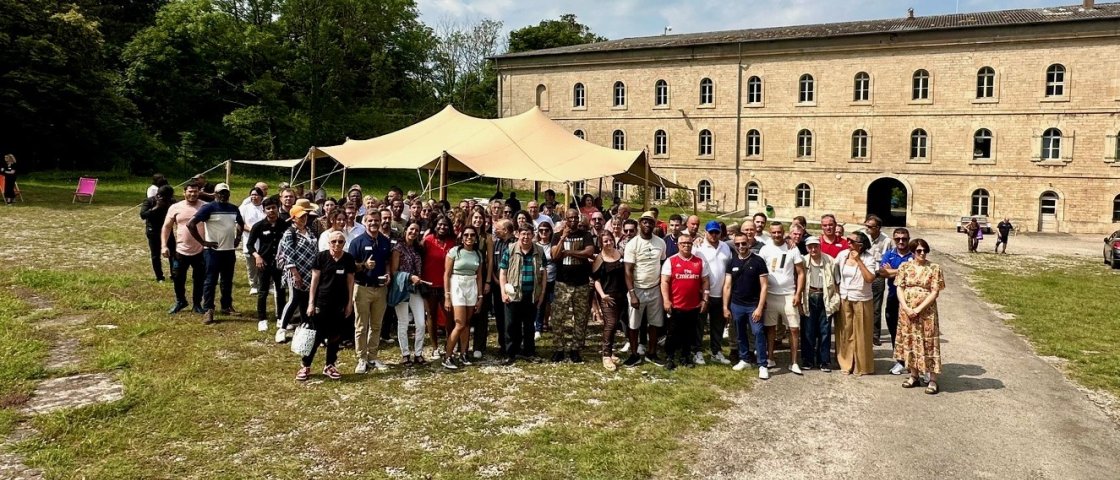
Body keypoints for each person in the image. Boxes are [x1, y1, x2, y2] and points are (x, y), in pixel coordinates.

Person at [296, 231, 355, 381]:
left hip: (340, 304)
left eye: (340, 241)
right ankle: (306, 365)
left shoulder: (348, 259)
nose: (337, 244)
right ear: (329, 243)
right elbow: (314, 281)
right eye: (334, 241)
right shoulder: (321, 257)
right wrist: (311, 303)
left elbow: (350, 281)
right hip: (321, 302)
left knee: (335, 336)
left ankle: (330, 365)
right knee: (316, 336)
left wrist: (350, 303)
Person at [188, 183, 245, 325]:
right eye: (220, 193)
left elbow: (240, 223)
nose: (223, 195)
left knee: (227, 280)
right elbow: (191, 224)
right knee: (210, 281)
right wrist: (203, 242)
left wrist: (238, 238)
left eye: (225, 193)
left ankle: (226, 306)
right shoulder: (208, 208)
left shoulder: (233, 208)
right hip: (212, 252)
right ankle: (208, 309)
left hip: (228, 251)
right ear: (215, 194)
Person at [896, 238, 945, 394]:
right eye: (919, 251)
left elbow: (935, 291)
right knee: (909, 340)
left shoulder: (934, 268)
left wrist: (918, 309)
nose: (922, 253)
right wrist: (906, 307)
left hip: (926, 312)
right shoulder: (904, 266)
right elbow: (899, 287)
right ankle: (913, 374)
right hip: (906, 310)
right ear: (912, 252)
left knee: (928, 342)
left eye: (925, 250)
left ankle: (932, 379)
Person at [349, 209, 393, 373]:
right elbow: (350, 266)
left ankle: (372, 356)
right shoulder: (357, 242)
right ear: (365, 222)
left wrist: (388, 273)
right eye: (370, 221)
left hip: (380, 289)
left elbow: (387, 261)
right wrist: (364, 266)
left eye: (376, 220)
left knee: (376, 325)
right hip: (362, 288)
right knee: (361, 326)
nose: (374, 223)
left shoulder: (384, 241)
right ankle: (361, 358)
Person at [550, 208, 597, 363]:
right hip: (562, 283)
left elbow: (589, 252)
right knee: (558, 318)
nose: (573, 221)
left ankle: (576, 348)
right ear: (565, 219)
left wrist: (569, 253)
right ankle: (559, 348)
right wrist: (563, 239)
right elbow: (554, 256)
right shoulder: (557, 236)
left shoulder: (586, 235)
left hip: (581, 283)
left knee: (581, 318)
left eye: (576, 218)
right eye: (570, 218)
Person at [759, 222, 806, 374]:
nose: (777, 235)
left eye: (780, 232)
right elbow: (760, 272)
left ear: (783, 232)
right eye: (774, 232)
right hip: (770, 295)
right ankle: (770, 357)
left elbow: (800, 273)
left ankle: (794, 362)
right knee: (770, 328)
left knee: (793, 329)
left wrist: (798, 293)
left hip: (788, 295)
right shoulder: (765, 248)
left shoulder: (792, 248)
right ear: (770, 233)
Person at [622, 211, 667, 366]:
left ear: (655, 224)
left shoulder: (661, 243)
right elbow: (628, 270)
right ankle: (634, 354)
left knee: (655, 323)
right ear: (640, 224)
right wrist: (632, 294)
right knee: (634, 324)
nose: (647, 224)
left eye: (650, 222)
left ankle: (652, 353)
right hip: (637, 288)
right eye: (644, 222)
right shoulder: (632, 244)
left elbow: (662, 264)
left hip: (655, 288)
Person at [660, 234, 711, 370]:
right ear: (678, 245)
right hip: (676, 305)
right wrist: (666, 300)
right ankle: (670, 357)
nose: (686, 245)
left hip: (693, 305)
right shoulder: (671, 261)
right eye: (683, 243)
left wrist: (705, 299)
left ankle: (685, 356)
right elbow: (664, 281)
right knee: (672, 333)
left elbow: (706, 281)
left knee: (689, 333)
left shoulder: (699, 262)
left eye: (689, 243)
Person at [723, 232, 770, 378]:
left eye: (743, 243)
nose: (741, 246)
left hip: (753, 305)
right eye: (737, 244)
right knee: (740, 333)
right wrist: (725, 306)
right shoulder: (732, 262)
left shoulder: (758, 261)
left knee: (758, 332)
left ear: (748, 243)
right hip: (737, 305)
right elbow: (727, 286)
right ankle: (744, 359)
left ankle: (763, 364)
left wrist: (760, 307)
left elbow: (764, 286)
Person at [499, 224, 547, 365]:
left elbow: (544, 273)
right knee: (511, 325)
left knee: (529, 326)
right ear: (518, 235)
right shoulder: (510, 249)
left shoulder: (539, 250)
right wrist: (503, 291)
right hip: (513, 294)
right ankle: (510, 353)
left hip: (532, 294)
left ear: (533, 235)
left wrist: (542, 293)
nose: (525, 237)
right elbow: (503, 271)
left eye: (528, 234)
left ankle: (529, 352)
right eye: (523, 234)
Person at [835, 231, 879, 375]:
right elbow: (835, 273)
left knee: (862, 333)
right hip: (845, 297)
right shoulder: (842, 255)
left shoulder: (868, 258)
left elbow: (870, 278)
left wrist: (859, 261)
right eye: (848, 240)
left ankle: (862, 366)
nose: (848, 243)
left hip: (862, 298)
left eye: (851, 241)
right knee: (846, 331)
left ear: (860, 245)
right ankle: (846, 363)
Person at [443, 225, 485, 369]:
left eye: (472, 235)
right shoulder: (454, 252)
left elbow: (479, 277)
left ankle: (464, 353)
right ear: (461, 237)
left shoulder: (478, 254)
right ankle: (448, 356)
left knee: (467, 323)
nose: (469, 238)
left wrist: (480, 296)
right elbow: (447, 274)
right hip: (457, 285)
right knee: (459, 323)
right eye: (466, 235)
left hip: (471, 285)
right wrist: (447, 296)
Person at [163, 182, 207, 314]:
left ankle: (197, 304)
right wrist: (164, 245)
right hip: (181, 250)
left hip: (200, 250)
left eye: (195, 191)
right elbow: (167, 227)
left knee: (199, 278)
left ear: (199, 192)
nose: (193, 194)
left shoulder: (205, 207)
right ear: (184, 192)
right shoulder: (175, 207)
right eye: (190, 191)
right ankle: (180, 301)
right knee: (177, 277)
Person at [277, 204, 317, 342]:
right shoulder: (289, 233)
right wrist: (295, 273)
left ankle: (305, 325)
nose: (304, 219)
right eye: (301, 217)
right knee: (294, 299)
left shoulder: (309, 231)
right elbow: (288, 255)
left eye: (305, 216)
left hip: (309, 272)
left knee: (305, 300)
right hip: (295, 272)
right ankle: (282, 328)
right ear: (293, 218)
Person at [694, 220, 733, 365]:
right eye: (711, 232)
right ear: (706, 233)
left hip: (720, 293)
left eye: (717, 232)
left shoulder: (725, 247)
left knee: (718, 325)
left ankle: (716, 351)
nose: (714, 235)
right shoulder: (698, 247)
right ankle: (697, 351)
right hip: (703, 293)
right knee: (700, 324)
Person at [247, 197, 288, 332]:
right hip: (264, 262)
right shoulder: (258, 226)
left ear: (277, 208)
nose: (271, 211)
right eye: (268, 208)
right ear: (264, 210)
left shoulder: (284, 224)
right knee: (263, 291)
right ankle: (262, 319)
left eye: (273, 208)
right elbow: (250, 245)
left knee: (281, 291)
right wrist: (257, 256)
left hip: (280, 264)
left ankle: (281, 317)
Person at [800, 236, 840, 372]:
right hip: (809, 296)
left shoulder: (830, 260)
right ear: (807, 248)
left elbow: (836, 281)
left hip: (825, 296)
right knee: (808, 331)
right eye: (810, 247)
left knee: (825, 331)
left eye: (815, 246)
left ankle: (824, 361)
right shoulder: (803, 261)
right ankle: (808, 360)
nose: (813, 249)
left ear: (820, 246)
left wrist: (836, 299)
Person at [390, 222, 427, 365]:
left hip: (416, 289)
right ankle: (405, 354)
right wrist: (409, 276)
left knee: (421, 323)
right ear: (406, 230)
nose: (414, 232)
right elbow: (394, 271)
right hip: (402, 289)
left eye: (416, 230)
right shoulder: (398, 248)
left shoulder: (418, 249)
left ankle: (418, 353)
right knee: (403, 322)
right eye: (411, 229)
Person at [879, 227, 914, 375]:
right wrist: (905, 269)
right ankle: (900, 361)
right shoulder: (889, 254)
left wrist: (893, 271)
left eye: (904, 239)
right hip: (894, 297)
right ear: (894, 239)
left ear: (908, 239)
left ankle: (913, 361)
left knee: (912, 331)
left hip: (911, 299)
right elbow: (882, 273)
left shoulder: (914, 254)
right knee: (894, 329)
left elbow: (916, 273)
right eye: (898, 239)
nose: (901, 241)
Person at [421, 216, 456, 359]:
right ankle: (435, 347)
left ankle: (450, 345)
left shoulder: (453, 242)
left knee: (450, 317)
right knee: (431, 315)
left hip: (447, 285)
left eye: (446, 225)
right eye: (440, 225)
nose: (443, 227)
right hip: (430, 284)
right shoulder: (428, 240)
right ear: (435, 226)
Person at [592, 229, 626, 371]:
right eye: (605, 241)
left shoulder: (620, 254)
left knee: (617, 323)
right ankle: (606, 355)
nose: (608, 243)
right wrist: (602, 295)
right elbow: (595, 279)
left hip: (622, 294)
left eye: (610, 240)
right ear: (601, 243)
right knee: (610, 324)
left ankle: (611, 352)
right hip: (608, 297)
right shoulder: (599, 259)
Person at [483, 219, 514, 356]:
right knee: (500, 317)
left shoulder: (515, 244)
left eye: (498, 228)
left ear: (506, 230)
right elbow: (493, 264)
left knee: (512, 318)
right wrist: (496, 280)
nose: (495, 231)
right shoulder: (496, 244)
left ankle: (513, 345)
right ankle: (503, 345)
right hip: (497, 285)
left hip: (512, 287)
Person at [862, 215, 891, 346]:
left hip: (878, 276)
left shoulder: (886, 241)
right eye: (866, 225)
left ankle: (874, 335)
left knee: (876, 307)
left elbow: (888, 259)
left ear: (878, 228)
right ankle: (862, 332)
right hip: (863, 274)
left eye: (870, 226)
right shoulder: (863, 237)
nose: (867, 228)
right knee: (861, 303)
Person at [141, 185, 175, 283]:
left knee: (173, 253)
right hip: (153, 230)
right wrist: (156, 208)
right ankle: (159, 277)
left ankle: (174, 274)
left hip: (168, 230)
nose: (167, 199)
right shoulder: (149, 201)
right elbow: (143, 215)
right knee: (155, 255)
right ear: (159, 195)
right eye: (165, 197)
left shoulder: (171, 202)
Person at [240, 187, 266, 295]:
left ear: (261, 197)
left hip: (264, 240)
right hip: (249, 239)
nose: (254, 197)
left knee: (264, 263)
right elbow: (241, 224)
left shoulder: (265, 208)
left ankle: (266, 284)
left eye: (256, 195)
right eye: (252, 195)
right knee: (251, 264)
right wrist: (253, 231)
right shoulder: (245, 208)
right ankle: (253, 285)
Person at [534, 221, 557, 338]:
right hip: (538, 278)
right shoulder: (535, 245)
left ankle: (547, 322)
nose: (544, 232)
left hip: (553, 277)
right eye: (541, 230)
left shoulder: (553, 244)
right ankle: (538, 327)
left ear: (550, 232)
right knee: (540, 303)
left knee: (551, 302)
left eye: (546, 230)